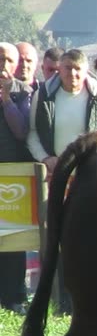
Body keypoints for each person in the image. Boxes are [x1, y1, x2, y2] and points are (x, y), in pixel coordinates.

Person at [27, 49, 97, 314]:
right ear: (60, 69)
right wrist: (46, 157)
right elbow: (33, 133)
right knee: (57, 235)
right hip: (56, 176)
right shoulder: (44, 94)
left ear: (85, 70)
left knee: (88, 236)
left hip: (90, 175)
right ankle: (60, 299)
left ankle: (90, 297)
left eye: (78, 68)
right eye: (68, 68)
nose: (73, 74)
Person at [0, 41, 34, 313]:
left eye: (7, 60)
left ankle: (15, 296)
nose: (3, 66)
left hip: (13, 176)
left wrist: (7, 99)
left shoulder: (25, 92)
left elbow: (22, 130)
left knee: (14, 238)